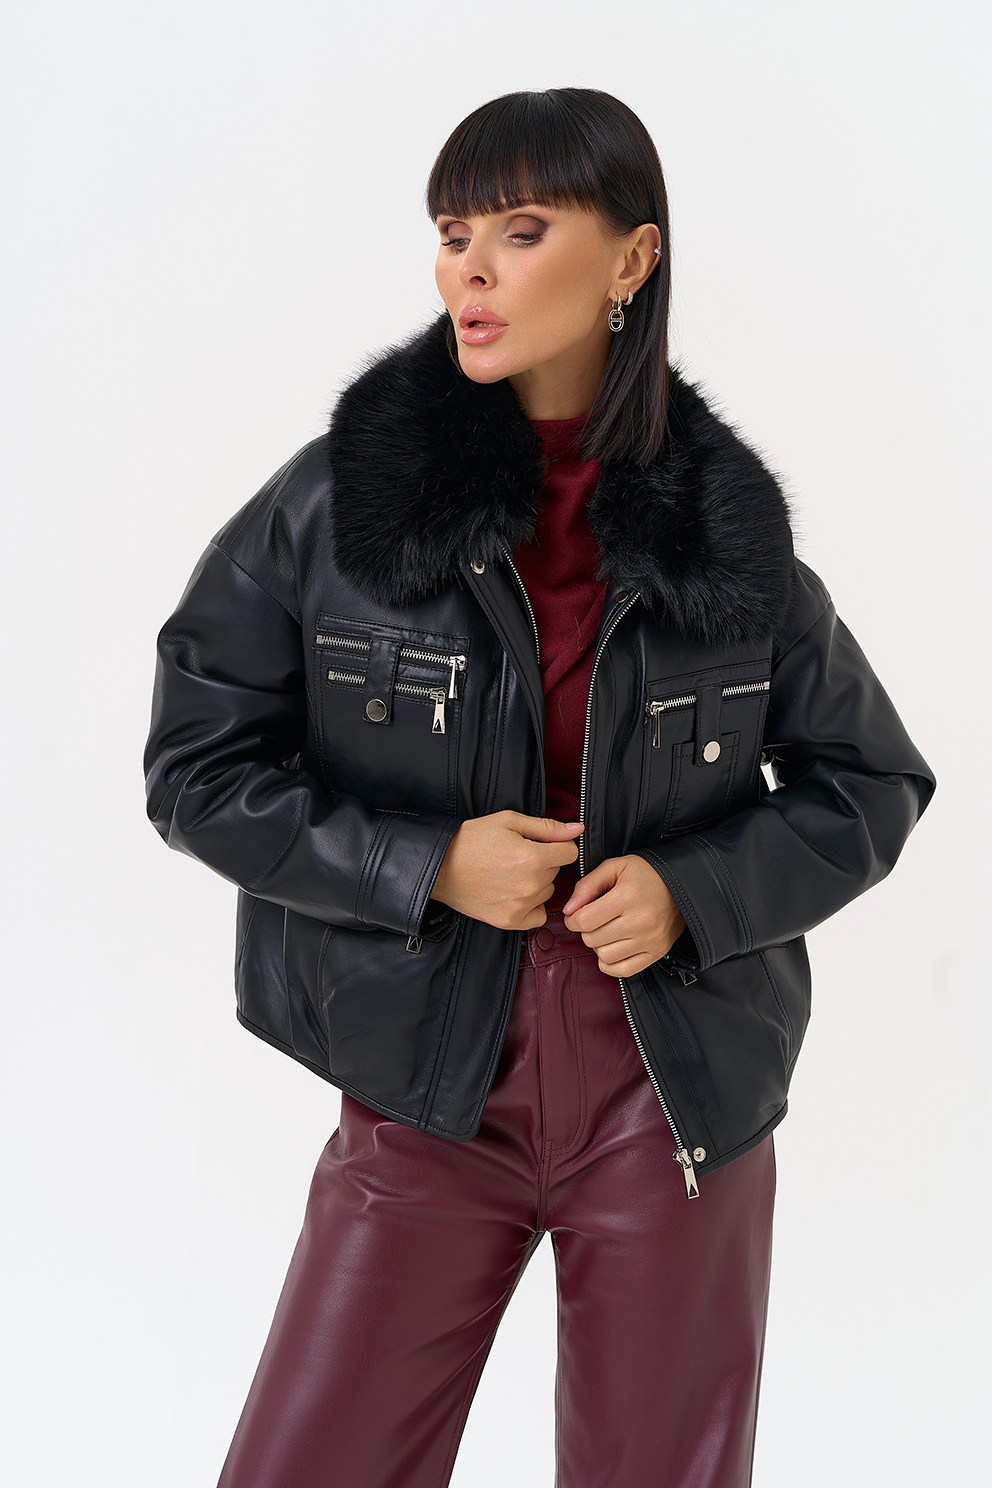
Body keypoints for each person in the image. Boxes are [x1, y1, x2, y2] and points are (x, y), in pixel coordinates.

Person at [143, 88, 936, 1488]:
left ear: (631, 257)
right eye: (454, 235)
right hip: (424, 1094)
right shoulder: (341, 508)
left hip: (669, 1101)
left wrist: (695, 891)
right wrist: (424, 864)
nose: (472, 271)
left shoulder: (723, 532)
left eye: (519, 230)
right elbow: (196, 767)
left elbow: (870, 778)